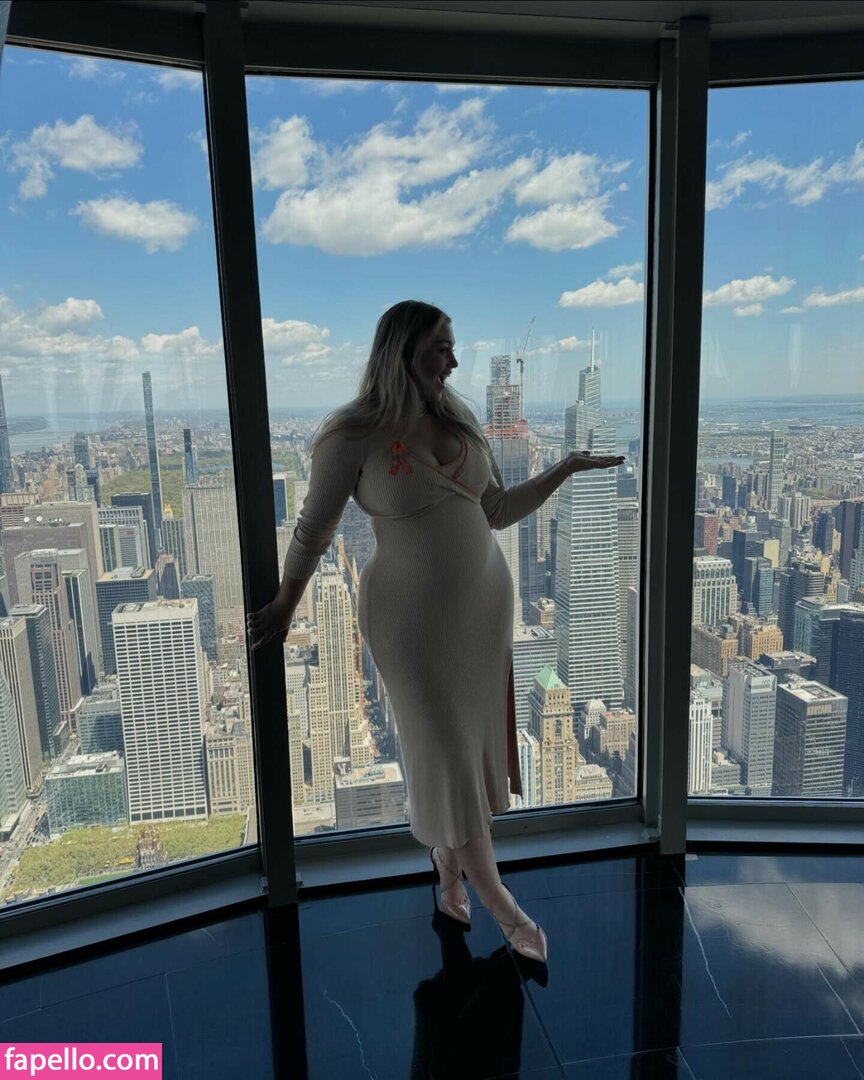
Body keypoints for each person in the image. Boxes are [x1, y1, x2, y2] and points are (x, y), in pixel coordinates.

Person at [246, 300, 624, 966]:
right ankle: (506, 911)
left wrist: (562, 470)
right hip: (411, 629)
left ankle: (450, 877)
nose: (452, 360)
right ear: (404, 351)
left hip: (481, 619)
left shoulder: (460, 418)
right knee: (448, 758)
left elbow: (497, 510)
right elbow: (313, 530)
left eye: (452, 346)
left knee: (463, 761)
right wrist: (285, 604)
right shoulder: (351, 435)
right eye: (441, 347)